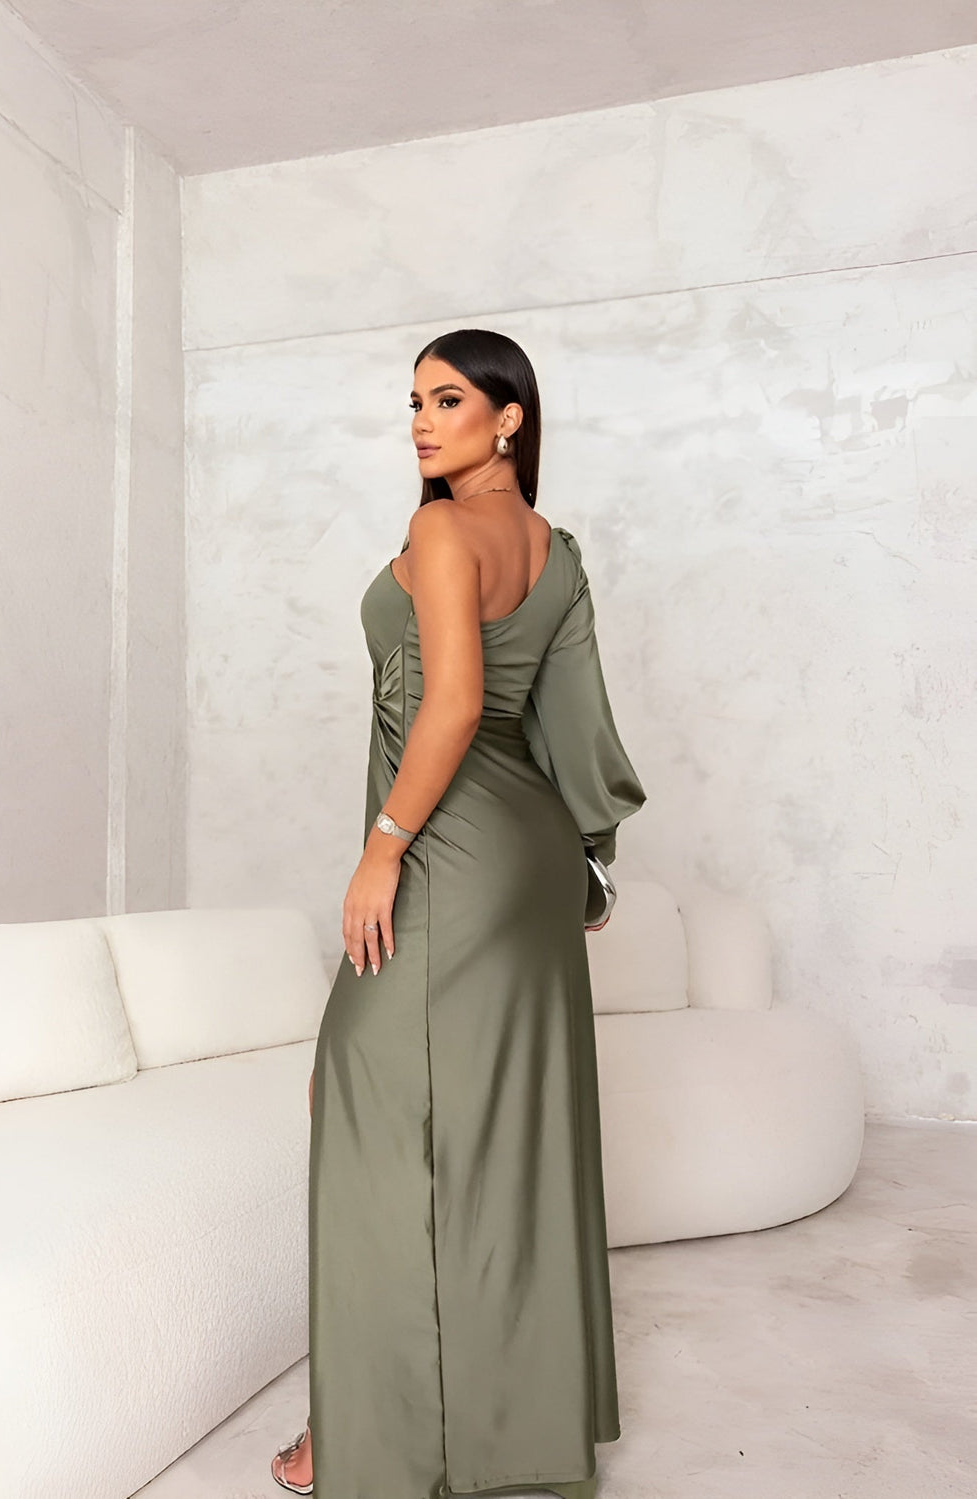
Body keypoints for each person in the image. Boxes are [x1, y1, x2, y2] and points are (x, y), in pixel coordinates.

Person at [270, 328, 646, 1499]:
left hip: (447, 849)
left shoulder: (440, 532)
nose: (422, 423)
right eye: (414, 402)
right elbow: (572, 716)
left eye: (446, 400)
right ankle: (505, 1429)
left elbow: (452, 705)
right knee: (497, 1133)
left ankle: (367, 1436)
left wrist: (382, 849)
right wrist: (587, 859)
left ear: (508, 416)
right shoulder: (552, 547)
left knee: (371, 1114)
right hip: (526, 851)